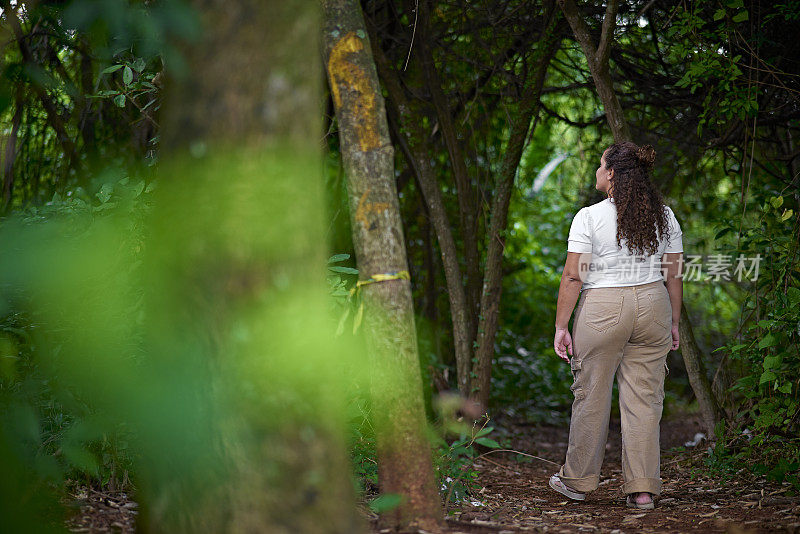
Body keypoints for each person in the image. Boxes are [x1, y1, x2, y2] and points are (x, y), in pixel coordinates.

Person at [548, 142, 684, 510]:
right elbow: (673, 275)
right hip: (653, 303)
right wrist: (673, 321)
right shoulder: (665, 217)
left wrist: (562, 325)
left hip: (604, 307)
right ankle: (642, 490)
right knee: (644, 399)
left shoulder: (589, 217)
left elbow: (573, 277)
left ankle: (577, 482)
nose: (596, 169)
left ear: (611, 174)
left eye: (599, 164)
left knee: (591, 393)